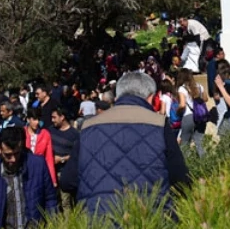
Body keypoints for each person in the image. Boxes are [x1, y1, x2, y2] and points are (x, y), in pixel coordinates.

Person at [59, 71, 190, 217]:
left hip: (97, 222)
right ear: (151, 97)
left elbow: (67, 181)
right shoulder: (159, 124)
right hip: (149, 222)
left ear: (116, 98)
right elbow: (181, 180)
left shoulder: (89, 127)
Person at [176, 68, 208, 157]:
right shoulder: (199, 86)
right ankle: (205, 162)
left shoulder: (181, 89)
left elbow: (182, 105)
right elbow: (206, 99)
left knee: (185, 143)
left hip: (189, 116)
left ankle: (187, 165)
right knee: (199, 141)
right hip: (201, 117)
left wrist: (177, 111)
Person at [23, 108, 56, 185]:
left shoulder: (45, 134)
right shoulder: (22, 132)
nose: (37, 122)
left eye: (38, 119)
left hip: (39, 171)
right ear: (28, 119)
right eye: (34, 119)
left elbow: (49, 158)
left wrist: (52, 179)